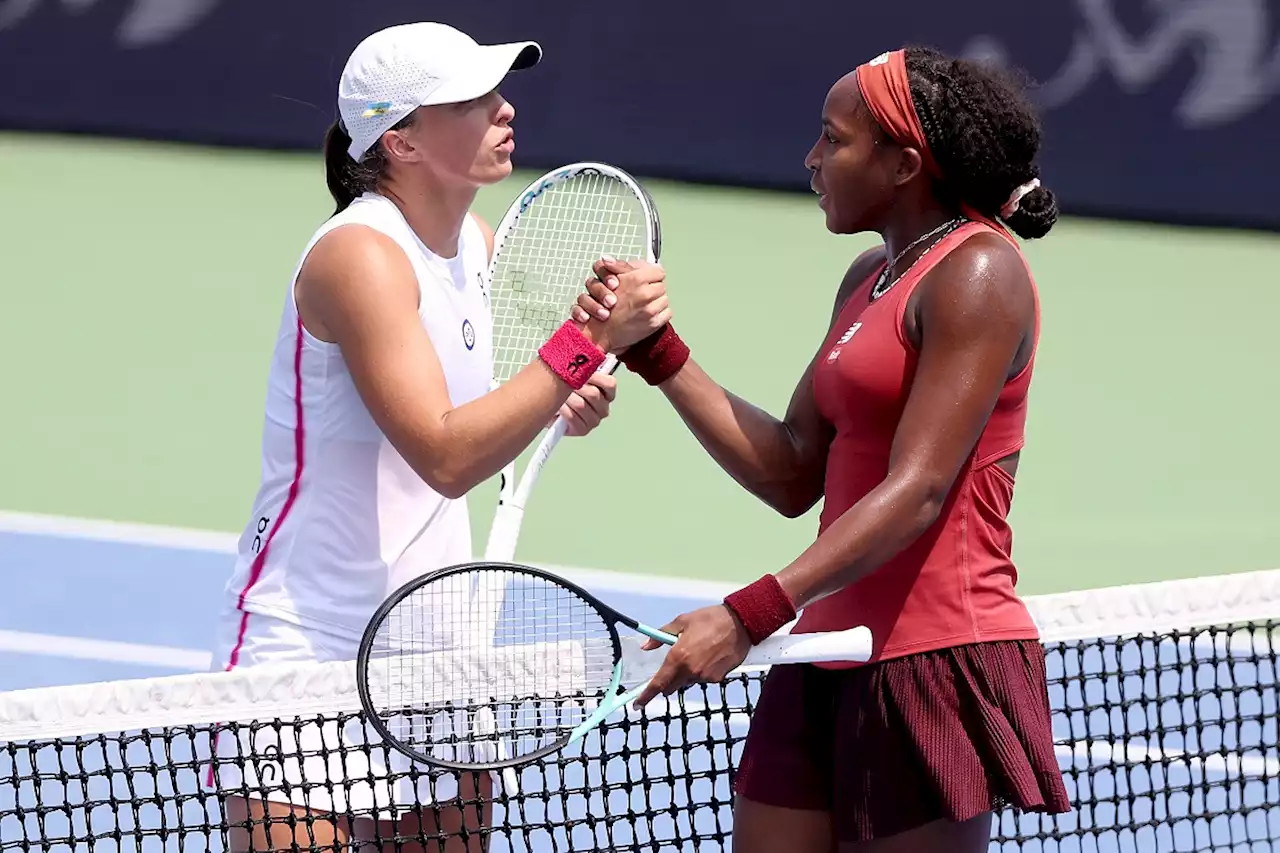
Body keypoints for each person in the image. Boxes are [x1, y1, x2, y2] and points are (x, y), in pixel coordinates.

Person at [572, 46, 1072, 852]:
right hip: (818, 653)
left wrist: (750, 612)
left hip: (930, 665)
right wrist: (656, 349)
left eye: (832, 140)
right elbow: (791, 468)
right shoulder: (871, 275)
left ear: (905, 163)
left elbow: (917, 489)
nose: (811, 159)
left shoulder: (980, 273)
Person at [201, 21, 671, 853]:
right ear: (402, 139)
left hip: (439, 653)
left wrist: (561, 397)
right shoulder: (359, 256)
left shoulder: (478, 247)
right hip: (311, 654)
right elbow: (447, 453)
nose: (504, 108)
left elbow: (482, 406)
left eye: (496, 91)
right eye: (472, 100)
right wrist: (581, 349)